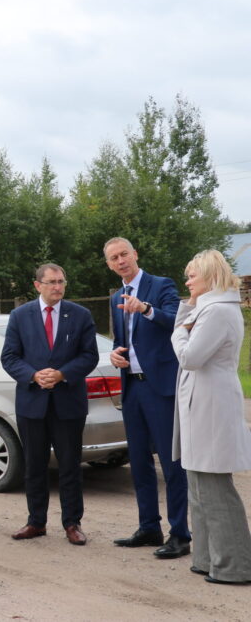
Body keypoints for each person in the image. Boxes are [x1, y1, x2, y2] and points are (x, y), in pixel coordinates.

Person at [104, 237, 191, 558]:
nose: (121, 261)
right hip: (132, 387)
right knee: (139, 461)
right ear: (109, 265)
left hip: (160, 387)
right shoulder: (116, 297)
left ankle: (180, 534)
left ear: (135, 254)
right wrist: (115, 355)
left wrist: (145, 308)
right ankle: (149, 527)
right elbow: (122, 339)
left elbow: (175, 320)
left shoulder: (160, 285)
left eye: (124, 254)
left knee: (171, 462)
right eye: (114, 258)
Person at [0, 263, 98, 545]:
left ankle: (72, 523)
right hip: (32, 403)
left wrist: (62, 374)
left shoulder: (80, 315)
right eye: (52, 282)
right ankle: (36, 522)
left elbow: (89, 355)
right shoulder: (20, 316)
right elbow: (10, 357)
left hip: (68, 403)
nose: (58, 287)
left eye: (61, 282)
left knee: (69, 465)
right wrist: (33, 375)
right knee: (34, 465)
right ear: (37, 285)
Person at [171, 249, 251, 585]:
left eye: (192, 276)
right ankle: (206, 559)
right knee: (199, 486)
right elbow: (189, 331)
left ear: (209, 275)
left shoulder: (218, 311)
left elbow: (190, 356)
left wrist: (178, 332)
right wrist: (187, 311)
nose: (188, 282)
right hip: (201, 406)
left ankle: (234, 566)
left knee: (215, 488)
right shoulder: (208, 307)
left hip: (212, 407)